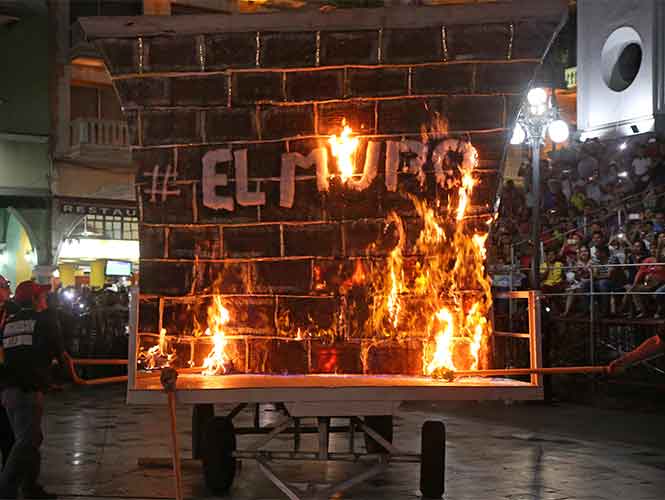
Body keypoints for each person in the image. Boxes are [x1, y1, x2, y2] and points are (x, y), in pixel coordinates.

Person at [0, 281, 63, 499]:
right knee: (25, 442)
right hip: (28, 389)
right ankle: (6, 490)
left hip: (9, 390)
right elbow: (58, 350)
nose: (46, 301)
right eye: (43, 297)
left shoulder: (9, 321)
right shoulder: (44, 320)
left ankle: (30, 487)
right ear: (35, 300)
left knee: (31, 439)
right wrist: (67, 375)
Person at [0, 276, 15, 469]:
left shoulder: (14, 311)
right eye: (4, 286)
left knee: (8, 433)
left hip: (7, 377)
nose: (7, 290)